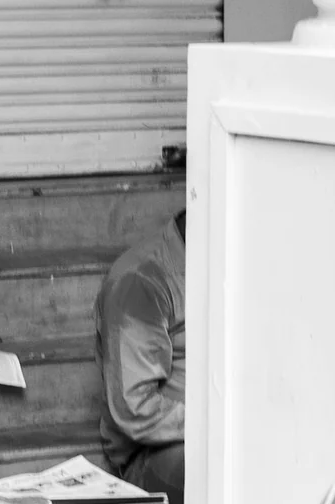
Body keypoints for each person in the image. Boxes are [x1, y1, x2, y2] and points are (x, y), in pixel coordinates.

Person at [94, 209, 187, 504]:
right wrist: (226, 427)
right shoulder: (141, 279)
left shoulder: (245, 262)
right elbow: (135, 409)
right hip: (156, 452)